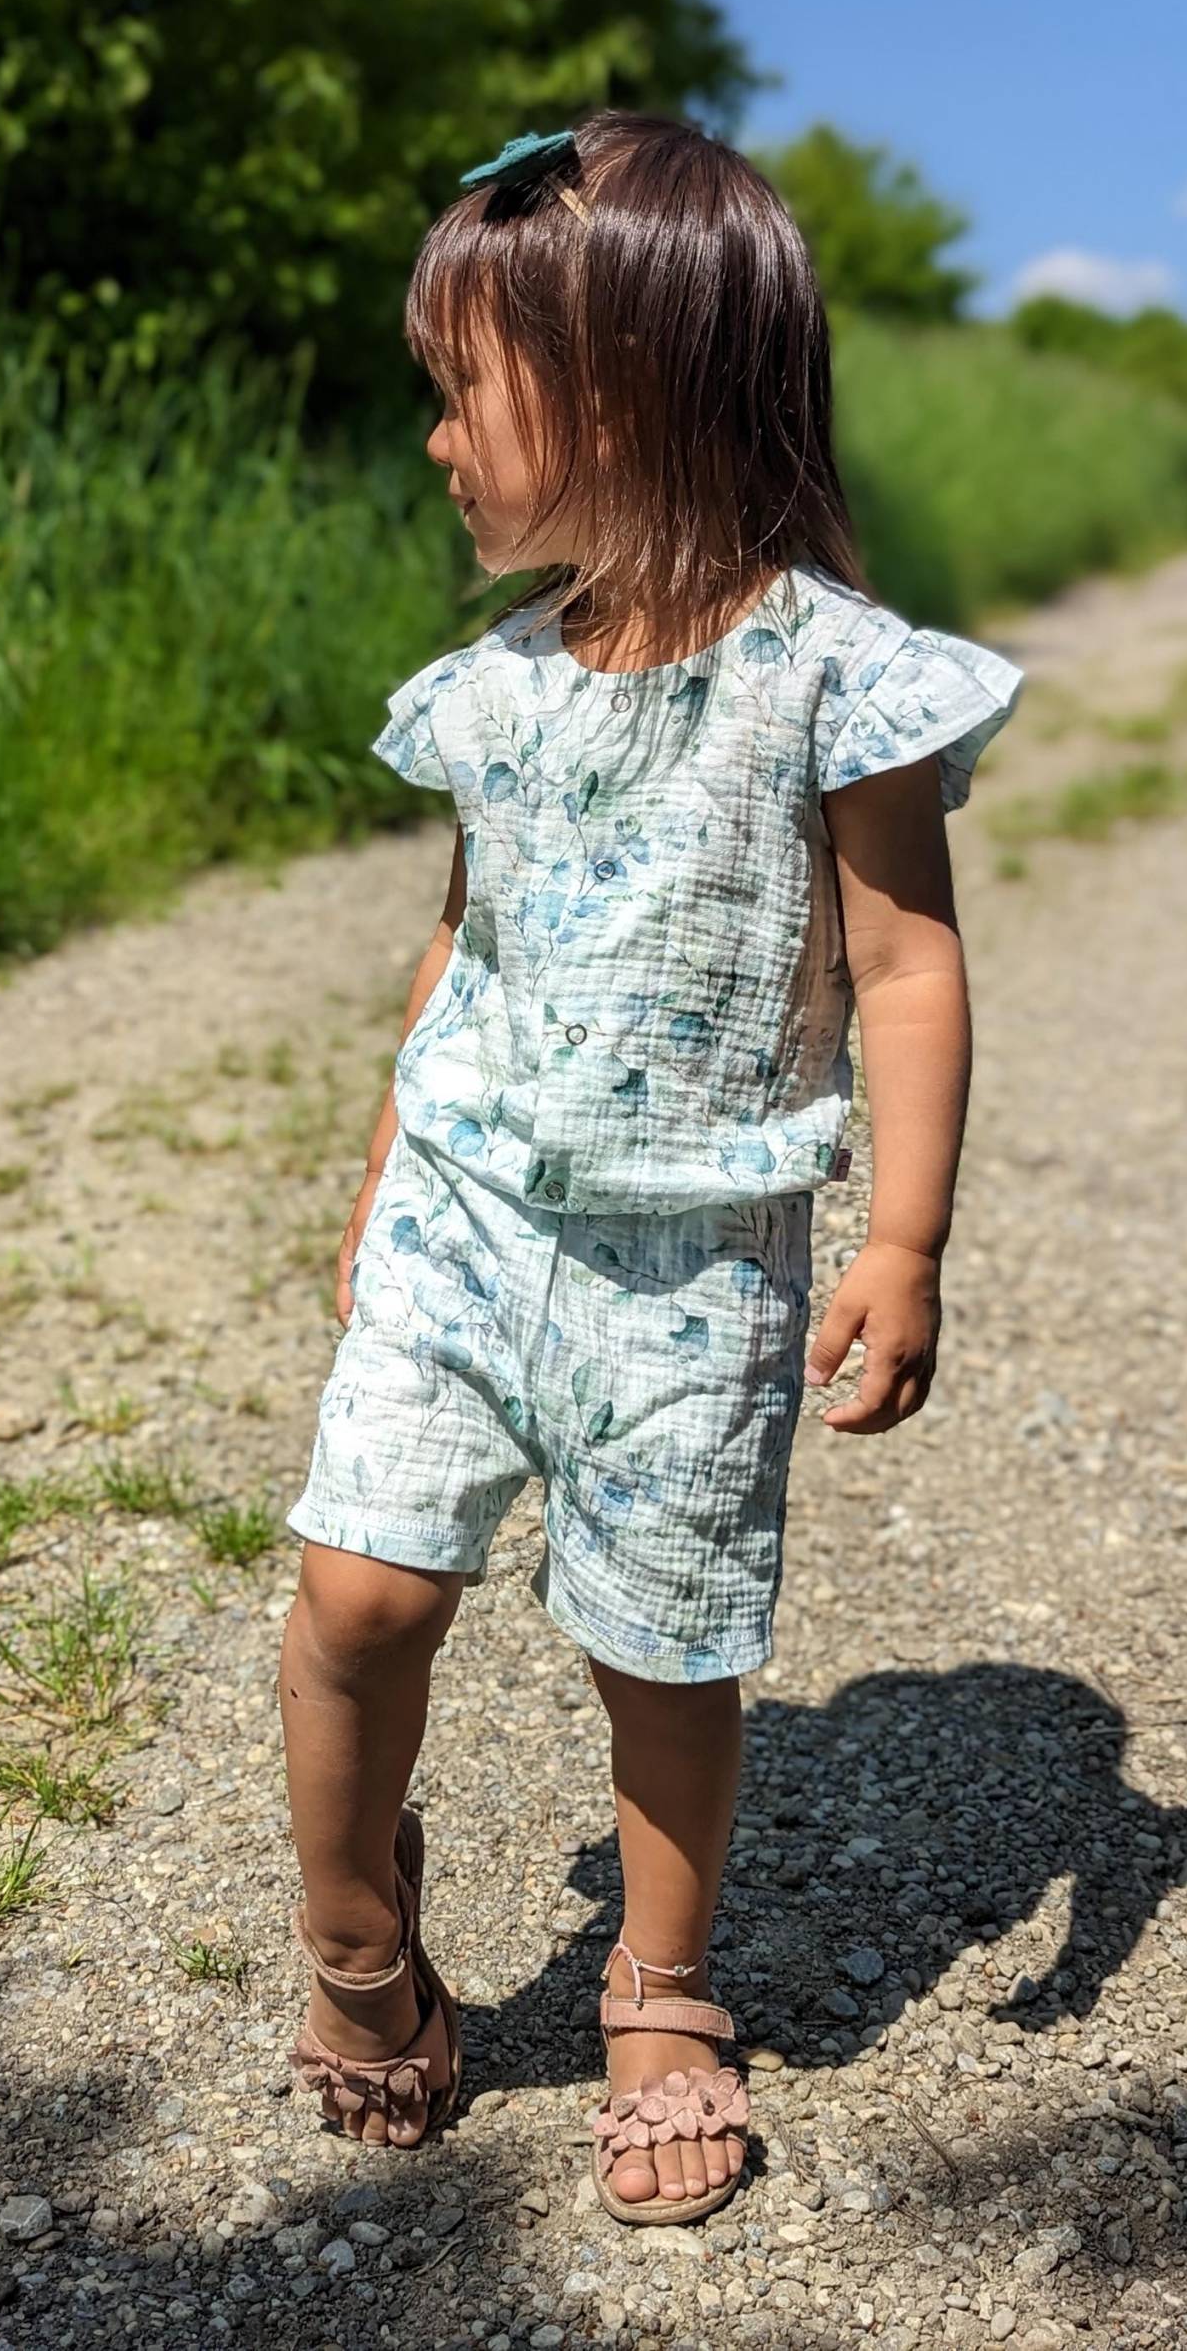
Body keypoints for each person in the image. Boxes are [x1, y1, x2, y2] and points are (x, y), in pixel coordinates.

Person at [276, 110, 1025, 2227]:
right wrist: (380, 1172)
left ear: (622, 390)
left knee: (664, 1641)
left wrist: (904, 1232)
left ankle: (665, 1981)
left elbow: (902, 961)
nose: (439, 444)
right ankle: (359, 1945)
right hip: (468, 1214)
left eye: (464, 396)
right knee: (359, 1589)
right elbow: (463, 942)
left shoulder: (833, 678)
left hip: (697, 1266)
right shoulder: (486, 697)